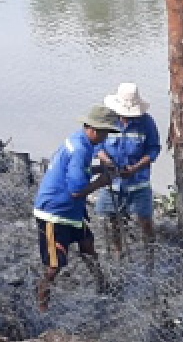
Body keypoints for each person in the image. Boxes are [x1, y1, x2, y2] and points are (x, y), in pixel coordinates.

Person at [33, 105, 122, 311]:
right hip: (54, 213)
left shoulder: (79, 140)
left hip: (70, 210)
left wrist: (100, 168)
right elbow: (76, 190)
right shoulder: (81, 149)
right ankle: (42, 302)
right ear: (93, 129)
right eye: (105, 132)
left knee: (87, 243)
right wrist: (102, 181)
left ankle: (102, 284)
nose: (106, 137)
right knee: (55, 264)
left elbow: (80, 171)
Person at [95, 82, 161, 257]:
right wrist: (108, 161)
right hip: (113, 182)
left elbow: (153, 149)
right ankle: (118, 252)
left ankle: (150, 255)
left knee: (145, 221)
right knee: (112, 220)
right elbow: (97, 146)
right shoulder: (108, 121)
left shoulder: (146, 122)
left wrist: (136, 168)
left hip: (138, 183)